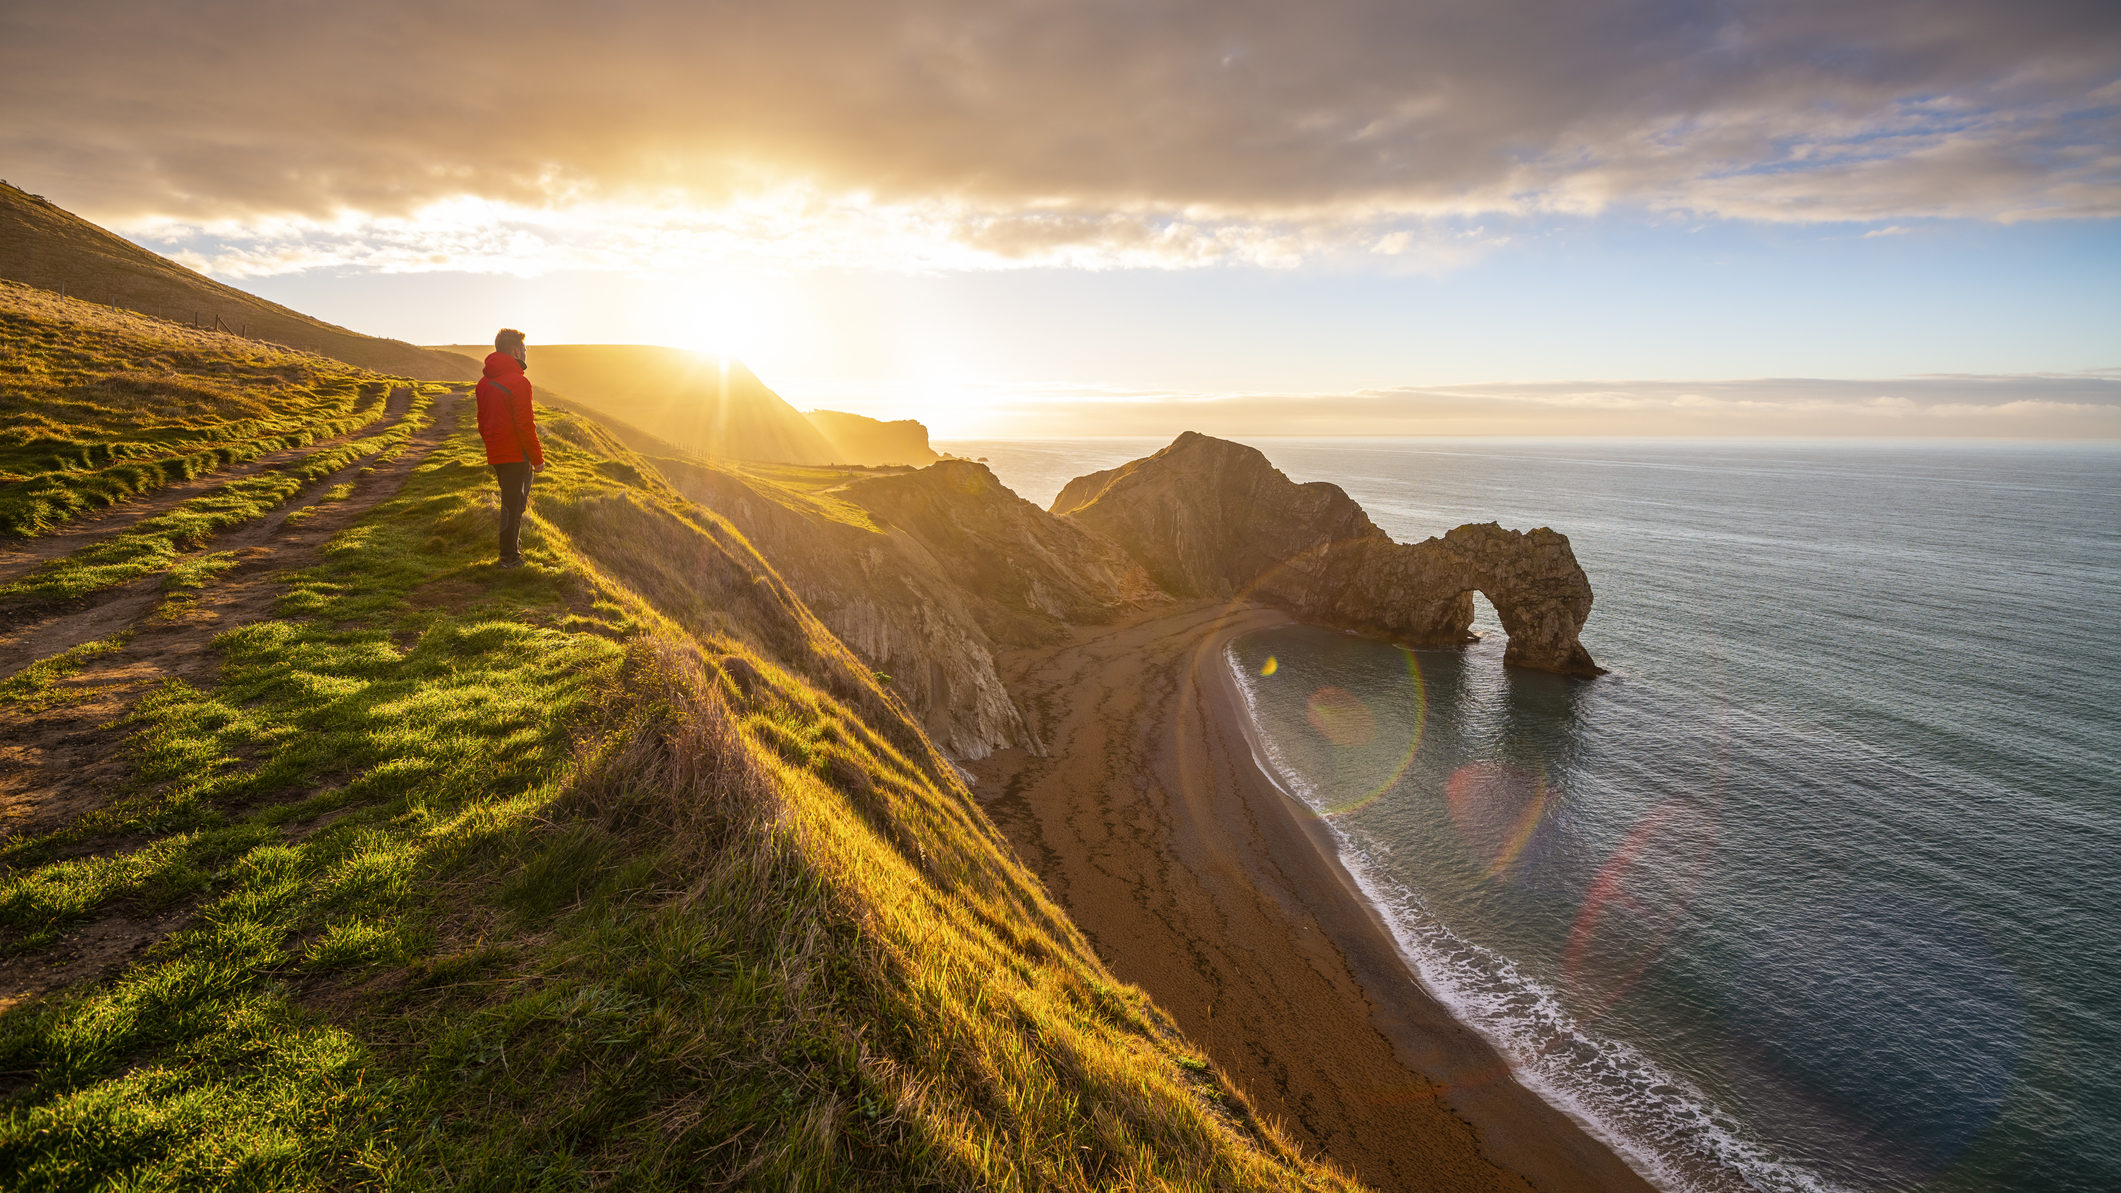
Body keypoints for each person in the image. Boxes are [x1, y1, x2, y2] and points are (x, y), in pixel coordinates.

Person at [474, 328, 544, 568]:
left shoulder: (483, 383)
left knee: (509, 502)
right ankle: (509, 557)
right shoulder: (519, 382)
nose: (526, 354)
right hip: (517, 455)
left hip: (497, 454)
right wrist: (537, 458)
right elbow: (526, 425)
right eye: (525, 350)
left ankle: (510, 551)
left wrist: (492, 446)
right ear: (516, 351)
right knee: (515, 505)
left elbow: (482, 422)